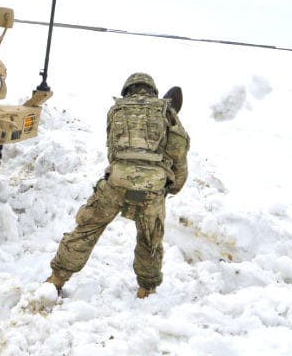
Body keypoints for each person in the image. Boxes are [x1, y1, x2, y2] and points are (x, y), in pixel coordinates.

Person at [46, 72, 189, 298]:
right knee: (150, 239)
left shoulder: (116, 110)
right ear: (152, 90)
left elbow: (114, 152)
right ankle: (146, 289)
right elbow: (178, 149)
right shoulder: (166, 112)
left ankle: (56, 280)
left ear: (127, 90)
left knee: (87, 228)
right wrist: (172, 186)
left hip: (116, 183)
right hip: (153, 187)